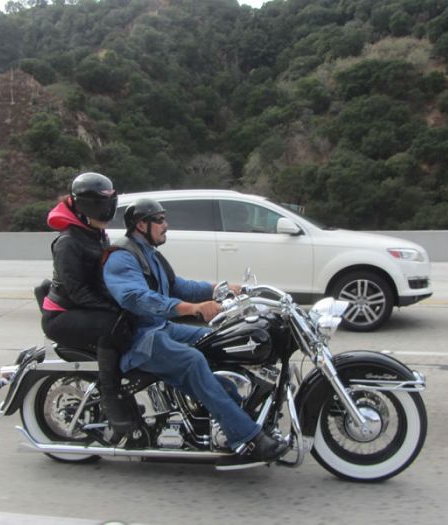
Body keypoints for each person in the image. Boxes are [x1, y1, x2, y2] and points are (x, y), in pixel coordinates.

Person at [103, 198, 288, 466]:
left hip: (159, 328)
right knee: (193, 360)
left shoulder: (149, 253)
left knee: (216, 341)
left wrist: (221, 289)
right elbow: (135, 297)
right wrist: (193, 309)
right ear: (141, 224)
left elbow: (178, 286)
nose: (166, 225)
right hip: (137, 338)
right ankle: (246, 437)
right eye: (160, 219)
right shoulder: (122, 256)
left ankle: (228, 412)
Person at [41, 172, 135, 434]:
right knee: (112, 326)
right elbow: (77, 291)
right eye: (101, 203)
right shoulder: (68, 242)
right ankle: (111, 396)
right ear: (85, 206)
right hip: (62, 316)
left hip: (82, 307)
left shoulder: (95, 233)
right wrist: (114, 308)